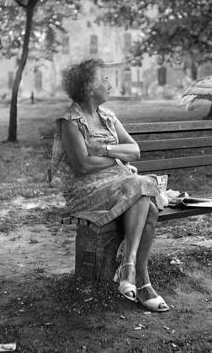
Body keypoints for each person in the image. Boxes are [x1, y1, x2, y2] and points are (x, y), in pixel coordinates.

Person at [49, 59, 169, 312]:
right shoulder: (69, 121)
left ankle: (132, 272)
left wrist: (105, 150)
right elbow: (82, 165)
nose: (109, 84)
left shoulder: (108, 117)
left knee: (146, 201)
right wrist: (117, 158)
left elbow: (135, 150)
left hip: (120, 183)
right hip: (86, 190)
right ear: (88, 87)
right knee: (142, 187)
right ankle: (138, 278)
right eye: (103, 79)